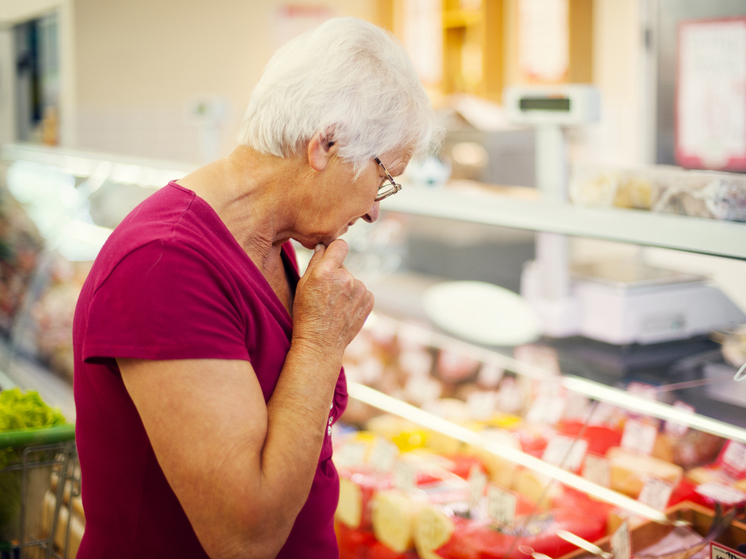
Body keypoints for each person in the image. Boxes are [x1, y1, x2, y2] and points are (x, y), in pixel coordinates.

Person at [72, 16, 441, 559]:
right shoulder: (165, 262)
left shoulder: (276, 242)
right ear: (326, 145)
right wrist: (320, 340)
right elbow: (245, 536)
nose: (374, 210)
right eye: (383, 176)